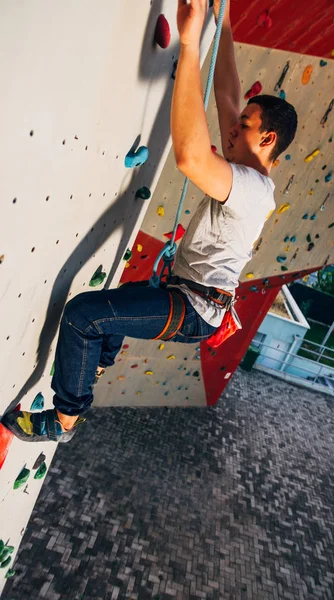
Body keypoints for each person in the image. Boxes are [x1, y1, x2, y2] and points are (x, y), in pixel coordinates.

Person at [3, 0, 297, 443]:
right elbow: (227, 95)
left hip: (196, 309)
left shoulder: (254, 189)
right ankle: (97, 360)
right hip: (187, 294)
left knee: (84, 317)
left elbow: (191, 157)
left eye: (244, 125)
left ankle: (63, 422)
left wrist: (191, 40)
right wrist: (226, 19)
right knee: (117, 305)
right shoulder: (248, 170)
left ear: (268, 138)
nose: (233, 127)